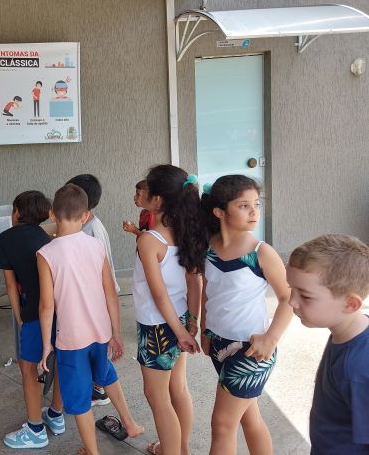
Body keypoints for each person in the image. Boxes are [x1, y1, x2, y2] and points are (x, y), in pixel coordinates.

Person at [38, 184, 143, 455]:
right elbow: (110, 292)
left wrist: (46, 345)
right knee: (106, 373)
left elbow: (47, 305)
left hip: (71, 338)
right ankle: (130, 423)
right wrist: (116, 332)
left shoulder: (46, 253)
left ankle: (92, 452)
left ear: (52, 214)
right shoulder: (95, 244)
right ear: (85, 216)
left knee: (78, 397)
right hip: (101, 331)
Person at [200, 175, 293, 455]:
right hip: (219, 344)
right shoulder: (209, 248)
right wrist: (204, 329)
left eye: (256, 204)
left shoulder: (261, 252)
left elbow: (289, 298)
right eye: (244, 205)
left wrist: (270, 338)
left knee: (222, 425)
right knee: (249, 418)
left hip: (251, 350)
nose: (254, 211)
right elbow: (208, 291)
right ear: (220, 211)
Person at [132, 166, 206, 455]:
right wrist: (191, 324)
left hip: (157, 327)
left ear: (158, 200)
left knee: (157, 397)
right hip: (180, 322)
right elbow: (194, 281)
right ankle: (180, 449)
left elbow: (159, 295)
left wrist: (181, 332)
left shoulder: (149, 240)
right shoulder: (187, 233)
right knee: (178, 389)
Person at [287, 234, 369, 454]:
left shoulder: (359, 368)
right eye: (291, 289)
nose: (292, 301)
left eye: (305, 296)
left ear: (350, 304)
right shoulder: (346, 333)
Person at [0, 190, 65, 449]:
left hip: (35, 313)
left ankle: (35, 429)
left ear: (17, 212)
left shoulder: (5, 238)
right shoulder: (49, 238)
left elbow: (10, 285)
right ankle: (56, 415)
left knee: (28, 367)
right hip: (62, 311)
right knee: (59, 361)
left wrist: (19, 317)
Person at [66, 173, 118, 406]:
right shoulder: (88, 224)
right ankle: (98, 386)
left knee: (95, 348)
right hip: (97, 297)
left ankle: (99, 390)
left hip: (97, 298)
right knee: (96, 347)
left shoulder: (89, 231)